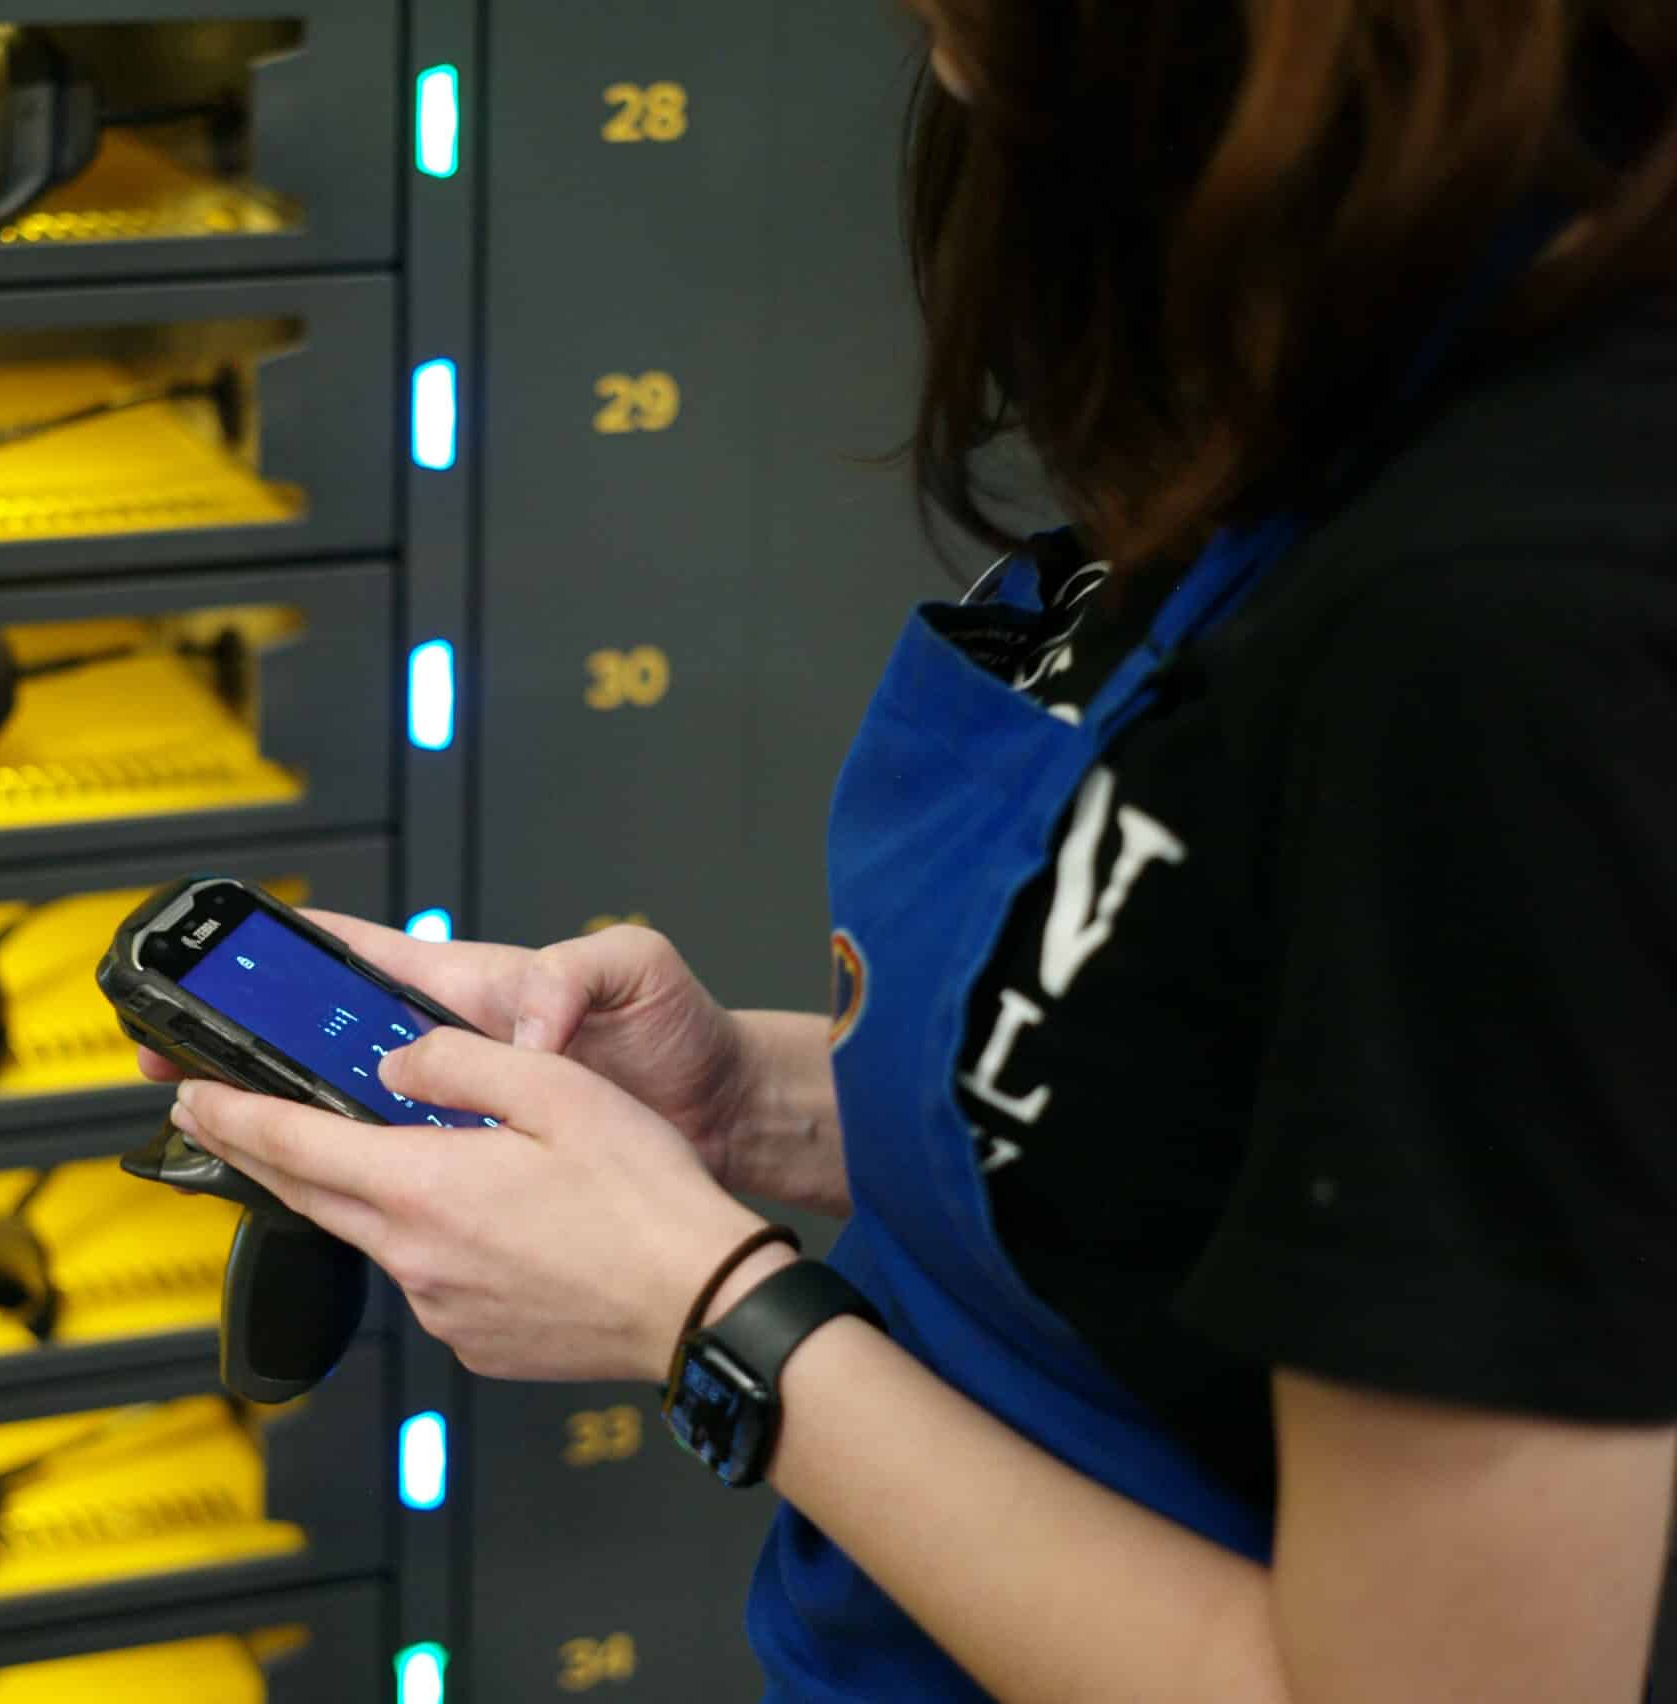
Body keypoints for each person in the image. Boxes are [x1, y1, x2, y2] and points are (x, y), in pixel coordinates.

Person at [147, 2, 1677, 1697]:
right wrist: (750, 1104)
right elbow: (1227, 1124)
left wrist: (708, 1316)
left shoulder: (1521, 626)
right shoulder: (1331, 343)